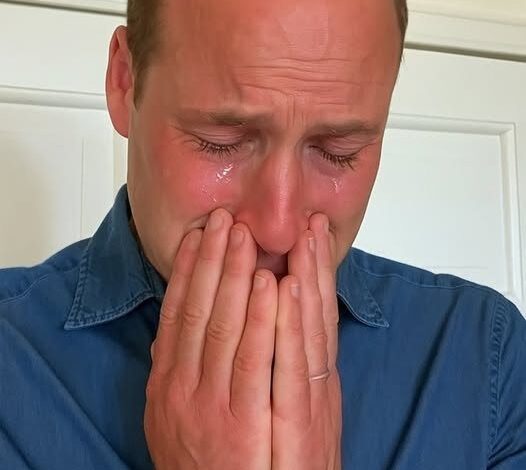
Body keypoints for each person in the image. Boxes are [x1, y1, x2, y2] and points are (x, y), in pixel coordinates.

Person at [1, 0, 525, 468]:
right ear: (124, 80)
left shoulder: (486, 356)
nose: (278, 231)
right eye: (221, 142)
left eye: (338, 152)